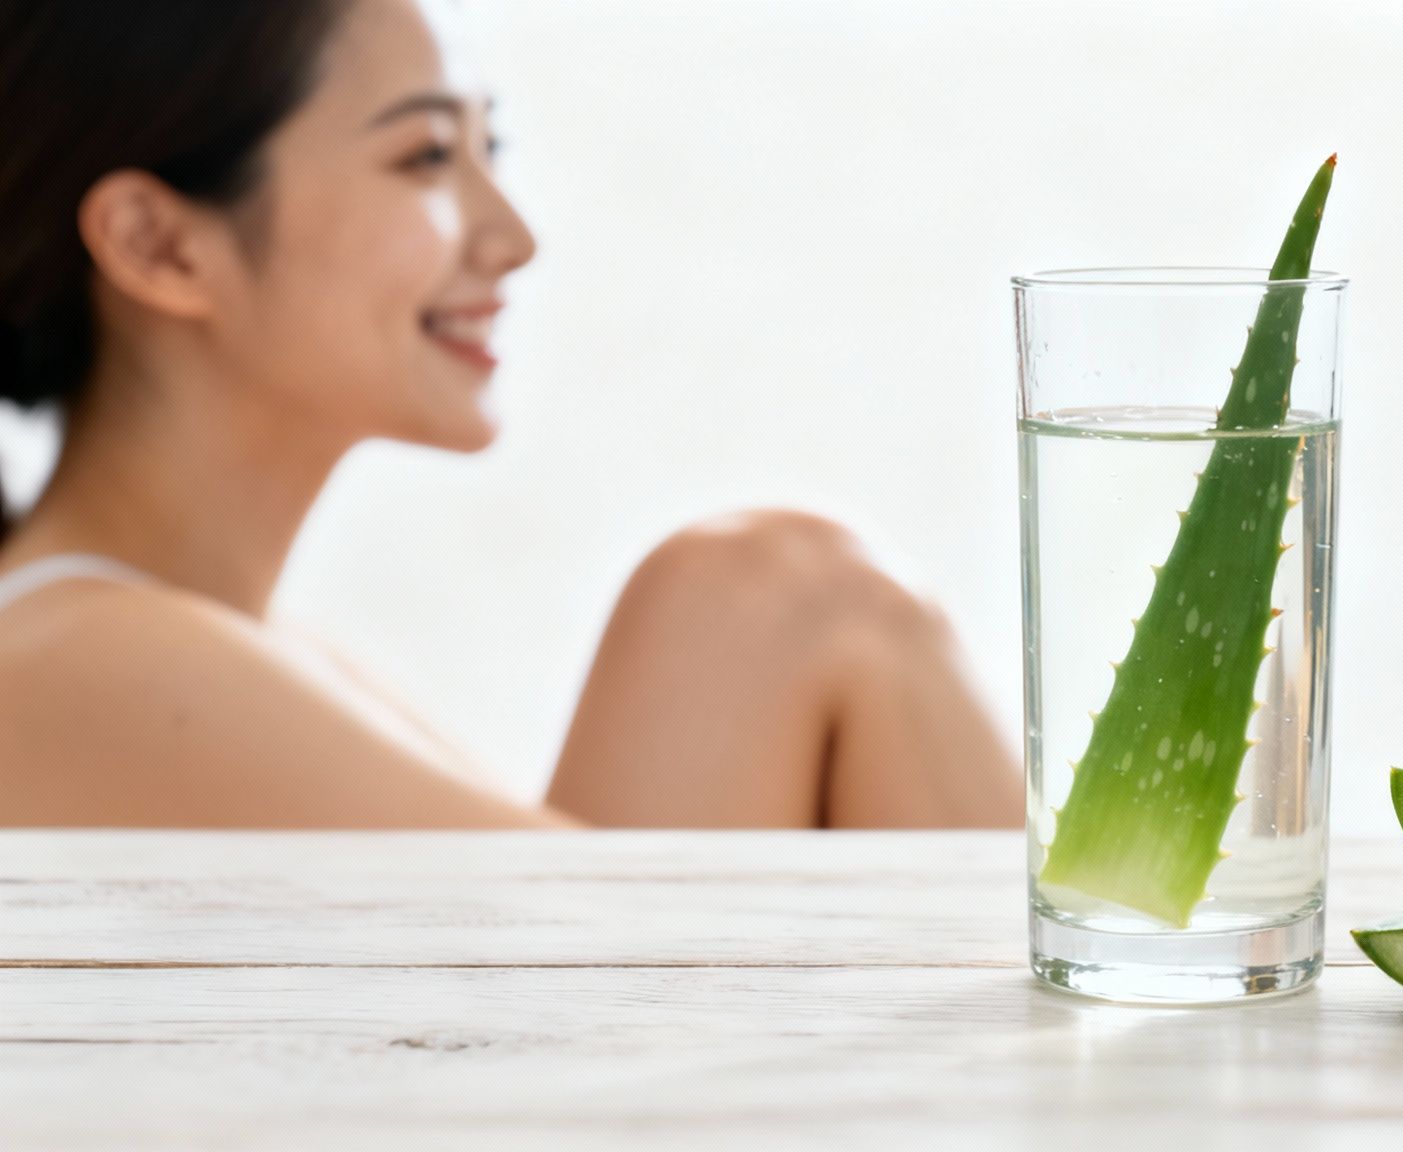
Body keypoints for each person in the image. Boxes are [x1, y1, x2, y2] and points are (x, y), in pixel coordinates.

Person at [0, 0, 1023, 829]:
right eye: (428, 157)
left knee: (781, 598)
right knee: (776, 597)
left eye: (492, 148)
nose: (514, 235)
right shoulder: (74, 659)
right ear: (158, 245)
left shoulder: (250, 655)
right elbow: (577, 996)